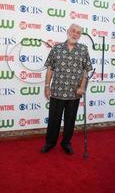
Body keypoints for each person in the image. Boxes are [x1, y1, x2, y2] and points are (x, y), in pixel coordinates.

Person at [41, 24, 93, 154]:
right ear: (68, 32)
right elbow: (50, 68)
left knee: (70, 120)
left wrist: (82, 87)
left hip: (74, 93)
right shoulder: (57, 48)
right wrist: (47, 86)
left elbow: (86, 70)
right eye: (73, 31)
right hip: (57, 91)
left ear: (80, 36)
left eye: (78, 33)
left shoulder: (83, 49)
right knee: (54, 119)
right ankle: (50, 142)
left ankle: (66, 143)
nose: (75, 34)